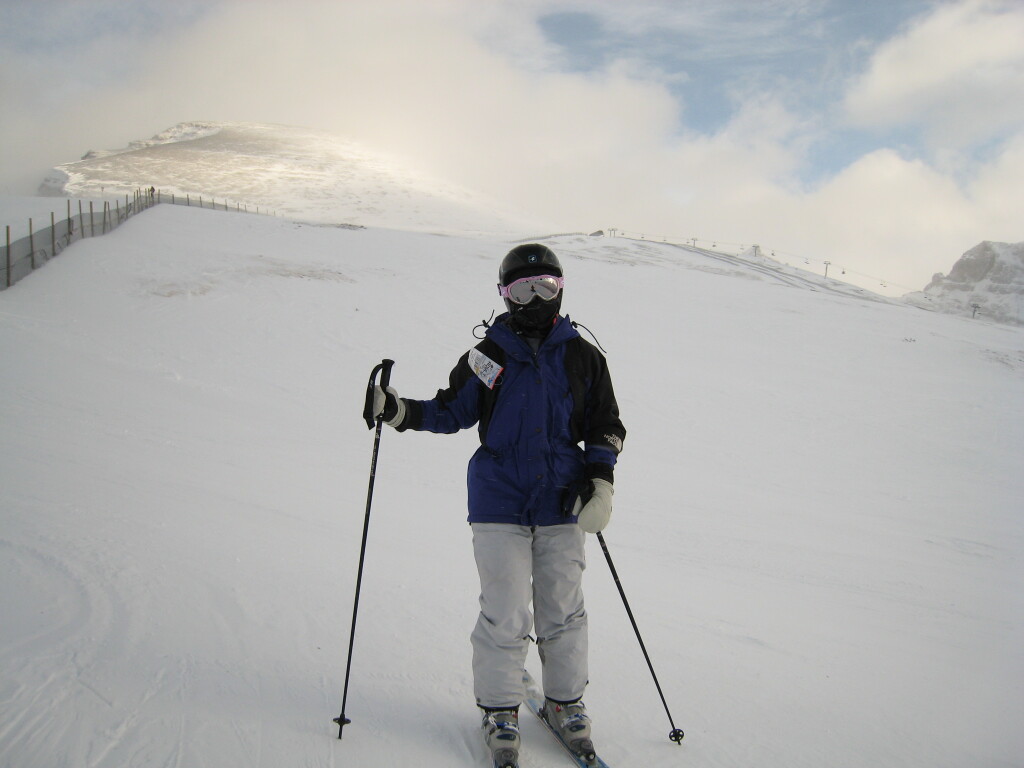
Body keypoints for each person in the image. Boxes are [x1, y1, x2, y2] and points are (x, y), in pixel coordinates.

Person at [370, 243, 625, 766]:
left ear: (561, 288)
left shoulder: (583, 356)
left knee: (563, 609)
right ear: (504, 296)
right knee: (506, 610)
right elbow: (450, 411)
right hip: (499, 500)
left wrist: (600, 480)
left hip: (562, 500)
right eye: (521, 289)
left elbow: (606, 424)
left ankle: (565, 702)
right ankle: (500, 710)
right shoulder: (489, 356)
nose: (534, 299)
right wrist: (398, 411)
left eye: (545, 287)